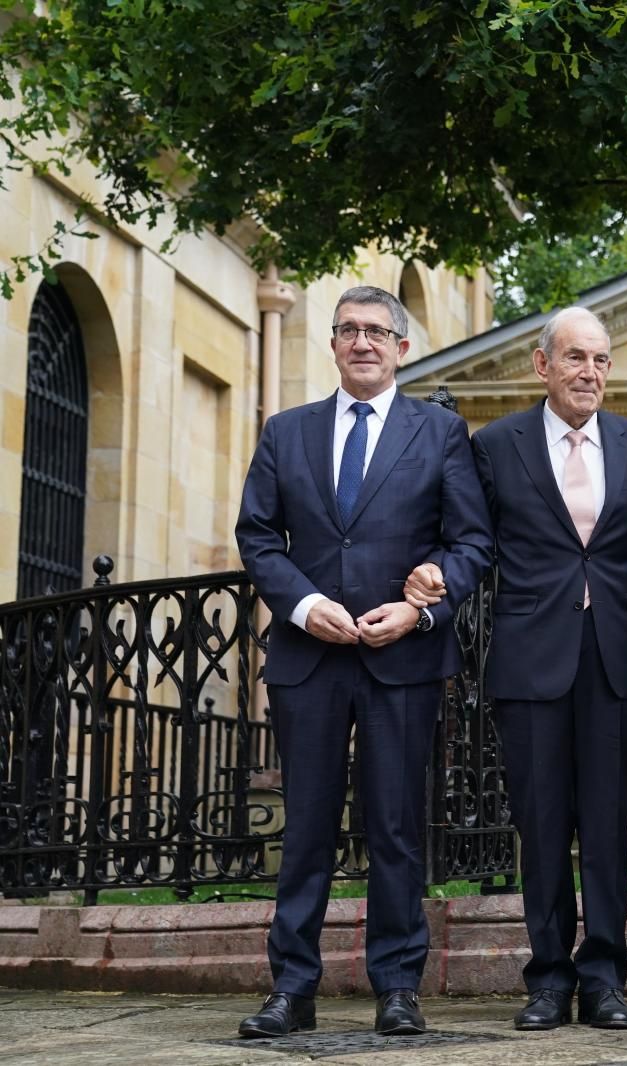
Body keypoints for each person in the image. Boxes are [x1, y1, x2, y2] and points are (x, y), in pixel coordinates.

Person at [234, 285, 492, 1038]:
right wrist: (305, 604)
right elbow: (256, 538)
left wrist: (422, 606)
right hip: (308, 658)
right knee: (307, 825)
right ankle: (292, 987)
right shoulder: (287, 432)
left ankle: (397, 987)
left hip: (401, 656)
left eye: (378, 331)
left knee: (395, 825)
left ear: (402, 348)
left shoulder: (440, 433)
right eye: (348, 330)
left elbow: (473, 542)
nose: (363, 343)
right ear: (334, 343)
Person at [433, 306, 627, 1032]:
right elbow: (473, 540)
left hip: (614, 662)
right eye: (576, 358)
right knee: (539, 828)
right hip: (529, 659)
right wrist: (431, 587)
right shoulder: (497, 445)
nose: (590, 372)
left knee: (607, 826)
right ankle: (547, 979)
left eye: (601, 360)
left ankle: (603, 978)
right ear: (543, 366)